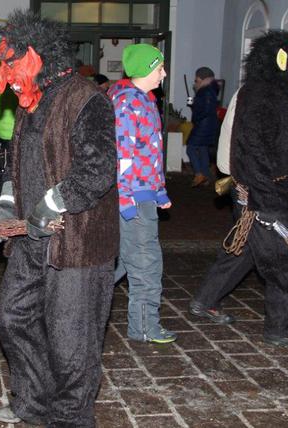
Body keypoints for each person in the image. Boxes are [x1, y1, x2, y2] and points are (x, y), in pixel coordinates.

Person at [0, 10, 118, 426]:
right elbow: (17, 159)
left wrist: (54, 201)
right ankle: (34, 401)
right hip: (30, 237)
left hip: (77, 244)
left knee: (71, 341)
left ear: (37, 57)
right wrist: (7, 198)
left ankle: (70, 418)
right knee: (14, 317)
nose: (6, 75)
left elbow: (98, 170)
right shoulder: (32, 100)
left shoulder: (86, 100)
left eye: (12, 63)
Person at [189, 31, 288, 349]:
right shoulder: (262, 96)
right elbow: (252, 151)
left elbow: (281, 146)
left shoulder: (276, 93)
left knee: (246, 249)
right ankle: (283, 327)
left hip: (267, 191)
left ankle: (206, 299)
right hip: (264, 195)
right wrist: (266, 200)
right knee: (285, 261)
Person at [108, 44, 176, 344]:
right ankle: (144, 327)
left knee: (126, 261)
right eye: (159, 68)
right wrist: (126, 200)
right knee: (146, 264)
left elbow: (150, 153)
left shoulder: (144, 100)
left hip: (143, 194)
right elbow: (122, 156)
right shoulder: (128, 103)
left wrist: (159, 191)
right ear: (146, 70)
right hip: (133, 197)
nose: (164, 73)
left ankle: (80, 303)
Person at [186, 66, 220, 187]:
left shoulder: (206, 91)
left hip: (203, 125)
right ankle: (206, 176)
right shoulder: (211, 89)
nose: (195, 82)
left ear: (202, 78)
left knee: (190, 148)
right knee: (202, 149)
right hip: (208, 124)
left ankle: (199, 174)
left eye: (196, 79)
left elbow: (205, 109)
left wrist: (196, 114)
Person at [0, 82, 18, 177]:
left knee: (6, 153)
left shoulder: (1, 95)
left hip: (5, 133)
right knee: (16, 155)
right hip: (17, 132)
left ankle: (4, 173)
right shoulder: (20, 95)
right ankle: (14, 175)